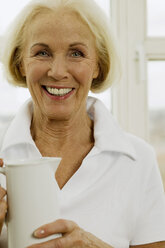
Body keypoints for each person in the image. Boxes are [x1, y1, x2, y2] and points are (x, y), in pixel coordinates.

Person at [0, 0, 165, 247]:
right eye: (42, 52)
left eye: (76, 53)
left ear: (97, 65)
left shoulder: (138, 161)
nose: (57, 72)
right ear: (20, 63)